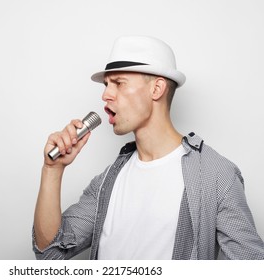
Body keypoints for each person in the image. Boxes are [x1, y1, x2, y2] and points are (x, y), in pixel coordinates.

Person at [32, 36, 264, 260]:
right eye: (106, 85)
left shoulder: (215, 177)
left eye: (119, 83)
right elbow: (50, 253)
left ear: (157, 89)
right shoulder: (107, 182)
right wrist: (53, 169)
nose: (105, 95)